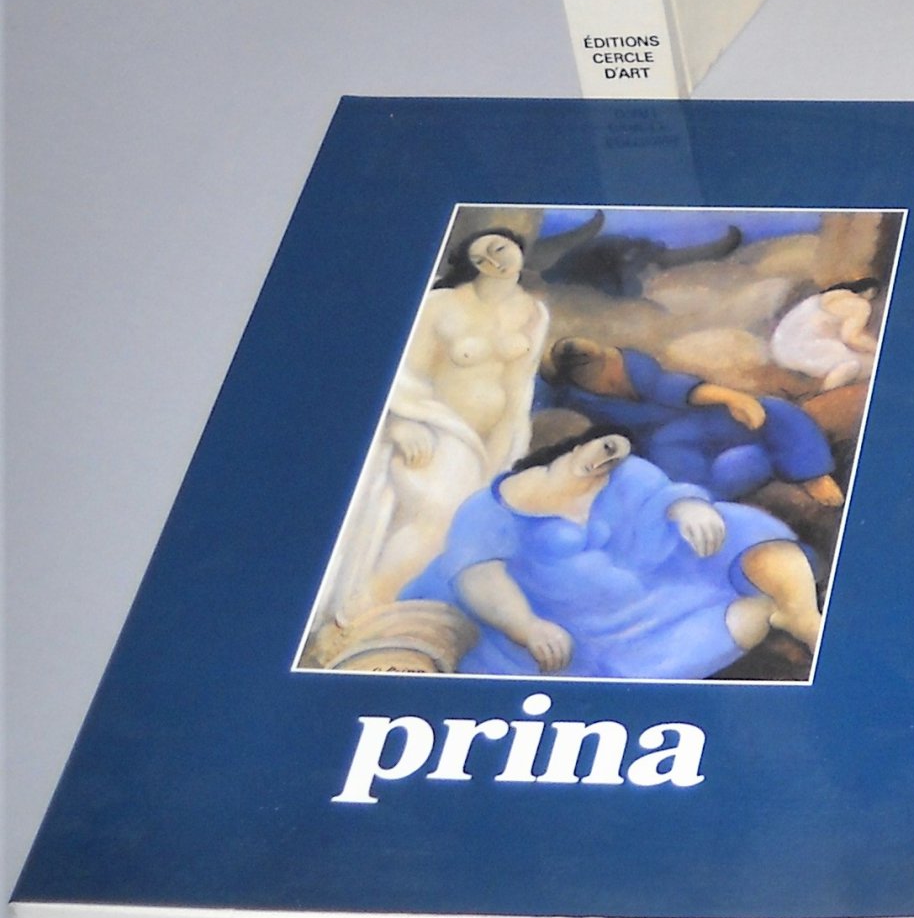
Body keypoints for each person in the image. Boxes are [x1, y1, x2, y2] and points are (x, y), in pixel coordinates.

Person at [405, 425, 824, 679]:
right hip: (580, 623)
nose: (603, 463)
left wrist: (686, 506)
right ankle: (772, 612)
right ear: (573, 446)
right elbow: (480, 576)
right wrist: (527, 626)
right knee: (744, 621)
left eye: (616, 455)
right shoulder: (490, 508)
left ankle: (802, 615)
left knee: (738, 526)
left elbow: (659, 497)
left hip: (654, 581)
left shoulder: (624, 474)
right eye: (604, 448)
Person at [320, 224, 552, 624]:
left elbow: (519, 389)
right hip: (435, 428)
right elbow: (401, 374)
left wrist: (506, 453)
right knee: (435, 511)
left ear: (517, 248)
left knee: (467, 523)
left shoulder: (535, 313)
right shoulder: (441, 304)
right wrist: (398, 424)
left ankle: (397, 611)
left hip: (491, 442)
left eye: (499, 249)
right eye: (481, 258)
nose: (494, 261)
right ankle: (367, 605)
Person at [538, 336, 843, 506]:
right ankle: (754, 468)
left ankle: (812, 473)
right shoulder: (572, 397)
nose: (613, 379)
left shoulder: (633, 365)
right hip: (662, 448)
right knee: (703, 486)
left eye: (611, 369)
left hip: (696, 417)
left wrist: (733, 398)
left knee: (774, 411)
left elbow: (670, 387)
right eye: (600, 381)